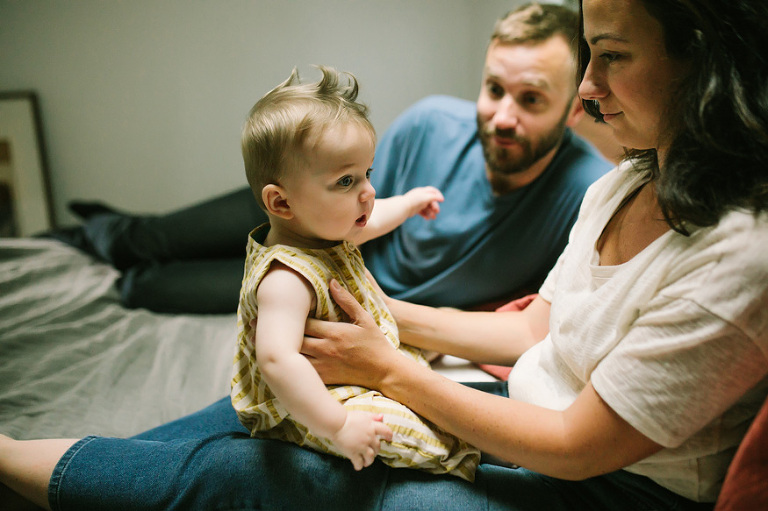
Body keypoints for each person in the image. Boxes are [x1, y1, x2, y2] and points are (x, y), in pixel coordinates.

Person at [3, 0, 766, 509]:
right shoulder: (628, 179)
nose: (592, 92)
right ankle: (89, 455)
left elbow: (576, 447)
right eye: (494, 87)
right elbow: (539, 330)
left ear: (704, 59)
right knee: (250, 415)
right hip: (436, 350)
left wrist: (385, 363)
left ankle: (21, 461)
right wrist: (376, 319)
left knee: (271, 472)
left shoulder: (731, 249)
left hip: (596, 480)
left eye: (611, 57)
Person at [56, 2, 613, 314]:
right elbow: (350, 200)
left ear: (573, 108)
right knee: (149, 237)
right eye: (494, 89)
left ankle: (110, 253)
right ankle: (99, 231)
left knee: (145, 287)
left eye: (532, 99)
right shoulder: (432, 122)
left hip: (342, 286)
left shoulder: (586, 195)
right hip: (312, 217)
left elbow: (540, 309)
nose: (502, 115)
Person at [230, 65, 478, 479]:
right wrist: (339, 426)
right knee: (401, 430)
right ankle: (459, 460)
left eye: (368, 173)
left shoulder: (324, 229)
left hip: (350, 365)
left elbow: (376, 216)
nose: (368, 191)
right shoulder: (286, 279)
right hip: (308, 400)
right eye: (346, 180)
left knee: (434, 389)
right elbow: (277, 361)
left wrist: (412, 201)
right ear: (282, 203)